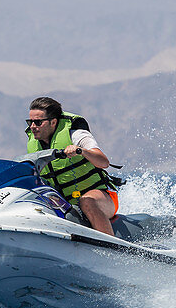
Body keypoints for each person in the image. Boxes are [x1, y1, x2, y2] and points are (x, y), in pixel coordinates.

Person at [25, 96, 121, 236]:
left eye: (38, 122)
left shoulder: (75, 133)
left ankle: (111, 248)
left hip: (101, 198)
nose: (33, 127)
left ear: (53, 122)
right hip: (64, 204)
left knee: (86, 201)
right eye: (30, 122)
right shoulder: (33, 143)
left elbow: (103, 162)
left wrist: (81, 151)